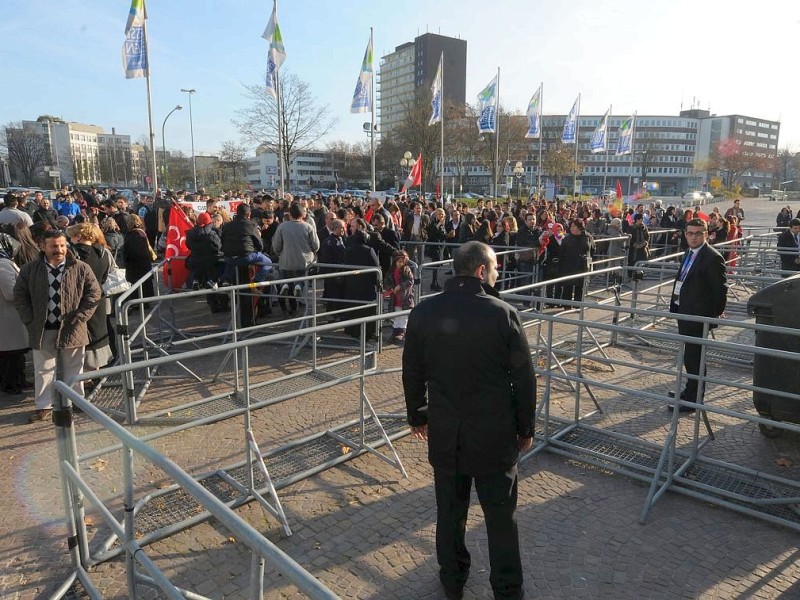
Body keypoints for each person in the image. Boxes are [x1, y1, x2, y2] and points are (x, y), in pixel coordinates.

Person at [402, 241, 534, 600]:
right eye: (494, 268)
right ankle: (508, 589)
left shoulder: (424, 312)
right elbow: (524, 378)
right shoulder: (502, 313)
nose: (497, 274)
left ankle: (452, 579)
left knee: (449, 512)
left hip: (447, 432)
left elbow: (412, 370)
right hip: (495, 434)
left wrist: (418, 415)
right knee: (501, 518)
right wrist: (526, 428)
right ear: (480, 271)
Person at [13, 229, 101, 422]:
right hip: (42, 328)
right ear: (42, 246)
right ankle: (44, 406)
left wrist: (81, 316)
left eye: (62, 245)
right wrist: (29, 319)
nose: (59, 250)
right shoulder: (30, 269)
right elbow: (19, 296)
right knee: (43, 368)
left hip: (73, 327)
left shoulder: (80, 267)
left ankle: (77, 401)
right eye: (54, 246)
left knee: (74, 367)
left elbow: (94, 293)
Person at [669, 218, 727, 411]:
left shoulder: (712, 257)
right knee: (689, 356)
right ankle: (688, 392)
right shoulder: (688, 252)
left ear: (706, 234)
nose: (693, 237)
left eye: (698, 233)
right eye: (690, 233)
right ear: (685, 234)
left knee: (695, 358)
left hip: (698, 316)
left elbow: (720, 290)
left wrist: (714, 315)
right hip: (684, 311)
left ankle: (693, 400)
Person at [66, 223, 113, 376]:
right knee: (98, 333)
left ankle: (85, 375)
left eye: (71, 236)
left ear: (78, 236)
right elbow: (107, 275)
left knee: (83, 335)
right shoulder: (104, 253)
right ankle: (96, 371)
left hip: (79, 300)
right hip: (99, 299)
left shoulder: (73, 254)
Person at [272, 202, 320, 318]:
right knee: (301, 276)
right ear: (302, 214)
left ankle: (285, 284)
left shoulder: (282, 226)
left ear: (290, 214)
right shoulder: (308, 227)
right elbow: (316, 245)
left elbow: (276, 246)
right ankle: (298, 285)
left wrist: (281, 253)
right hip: (303, 261)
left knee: (285, 276)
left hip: (286, 260)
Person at [0, 244, 30, 395]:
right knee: (12, 353)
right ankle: (12, 384)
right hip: (9, 316)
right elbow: (10, 292)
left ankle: (17, 380)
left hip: (8, 316)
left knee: (12, 354)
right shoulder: (3, 264)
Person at [384, 250, 414, 342]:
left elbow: (410, 281)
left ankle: (402, 331)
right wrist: (390, 288)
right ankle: (396, 330)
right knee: (396, 313)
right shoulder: (391, 271)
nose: (401, 264)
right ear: (395, 261)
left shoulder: (407, 270)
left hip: (405, 297)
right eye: (399, 262)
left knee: (403, 315)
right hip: (395, 297)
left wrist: (400, 286)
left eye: (402, 262)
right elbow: (387, 282)